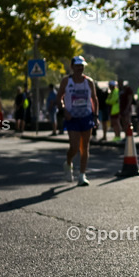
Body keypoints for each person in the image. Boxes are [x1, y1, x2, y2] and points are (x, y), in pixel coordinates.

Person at [57, 55, 98, 186]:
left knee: (84, 147)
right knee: (74, 147)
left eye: (82, 66)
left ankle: (82, 175)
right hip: (72, 118)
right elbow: (59, 98)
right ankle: (68, 163)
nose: (80, 68)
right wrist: (64, 110)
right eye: (77, 66)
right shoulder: (66, 81)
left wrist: (95, 116)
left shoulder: (89, 82)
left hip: (86, 116)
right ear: (72, 67)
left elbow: (94, 99)